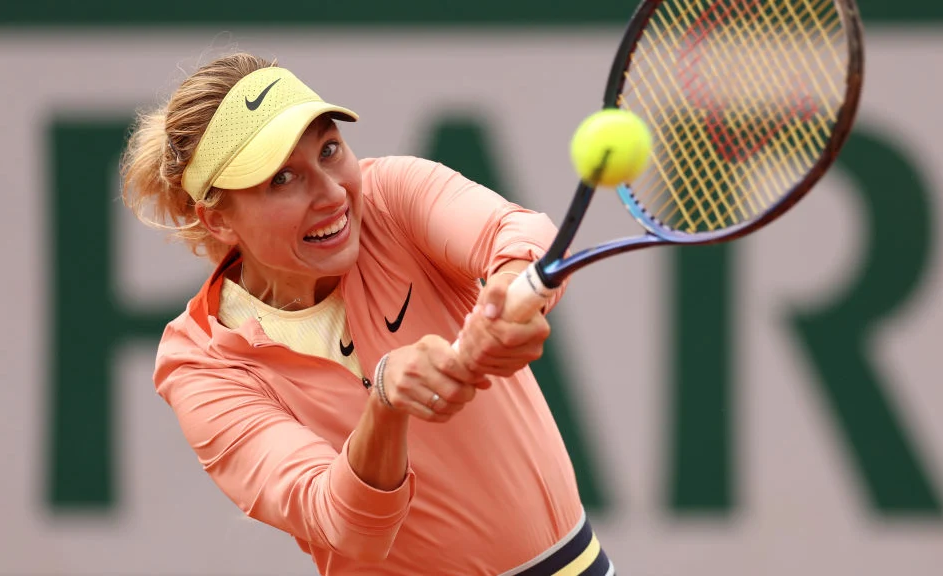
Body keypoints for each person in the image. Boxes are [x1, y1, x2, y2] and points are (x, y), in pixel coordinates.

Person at [120, 52, 615, 576]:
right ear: (218, 221)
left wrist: (506, 299)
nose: (332, 193)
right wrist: (385, 403)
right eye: (282, 178)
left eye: (329, 150)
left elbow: (519, 233)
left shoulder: (390, 198)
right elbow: (343, 523)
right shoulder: (199, 365)